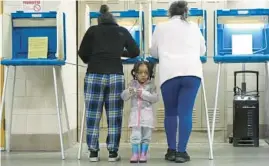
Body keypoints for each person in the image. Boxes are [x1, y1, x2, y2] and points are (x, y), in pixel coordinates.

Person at [78, 4, 140, 162]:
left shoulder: (92, 30)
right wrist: (119, 53)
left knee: (93, 115)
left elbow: (82, 53)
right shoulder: (121, 31)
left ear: (99, 20)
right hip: (115, 75)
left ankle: (93, 152)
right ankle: (113, 153)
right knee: (114, 115)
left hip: (94, 74)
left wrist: (94, 58)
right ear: (114, 20)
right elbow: (135, 52)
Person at [149, 0, 206, 163]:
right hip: (192, 73)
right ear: (185, 12)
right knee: (186, 112)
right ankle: (182, 152)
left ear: (170, 12)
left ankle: (171, 150)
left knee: (171, 112)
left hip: (169, 73)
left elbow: (153, 51)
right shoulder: (194, 27)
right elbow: (203, 50)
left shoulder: (161, 27)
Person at [121, 61, 159, 163]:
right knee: (135, 136)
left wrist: (144, 93)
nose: (143, 75)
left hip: (147, 117)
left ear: (149, 74)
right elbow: (123, 97)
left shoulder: (151, 86)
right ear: (135, 73)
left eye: (146, 73)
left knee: (146, 137)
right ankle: (135, 154)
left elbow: (155, 98)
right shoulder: (132, 84)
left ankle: (143, 154)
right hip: (135, 117)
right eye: (140, 72)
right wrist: (129, 91)